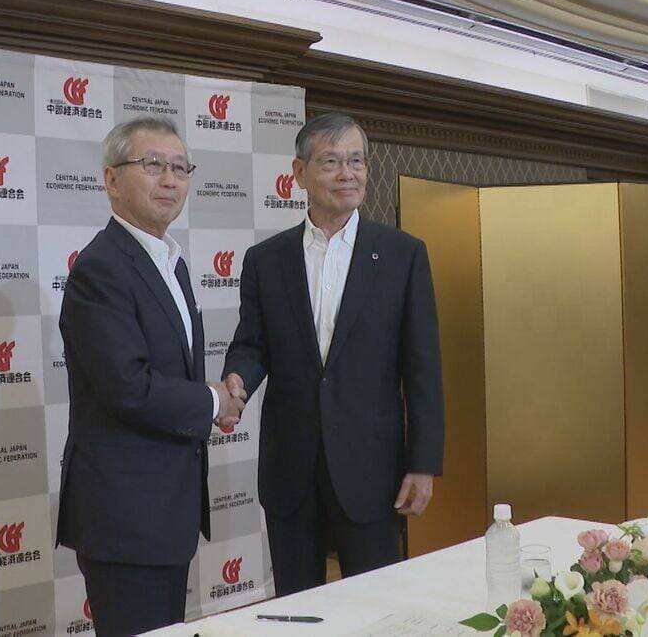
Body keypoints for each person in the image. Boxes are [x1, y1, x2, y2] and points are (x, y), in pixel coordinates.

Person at [222, 112, 444, 596]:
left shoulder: (403, 255)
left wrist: (422, 462)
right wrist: (237, 379)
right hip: (290, 468)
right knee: (297, 608)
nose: (348, 174)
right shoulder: (266, 259)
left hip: (372, 470)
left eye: (356, 161)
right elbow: (252, 343)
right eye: (331, 162)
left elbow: (423, 367)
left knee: (376, 606)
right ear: (299, 173)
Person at [55, 115, 244, 635]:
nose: (170, 180)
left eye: (180, 168)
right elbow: (128, 387)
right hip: (125, 516)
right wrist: (213, 402)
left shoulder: (170, 262)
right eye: (153, 164)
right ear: (112, 180)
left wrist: (214, 400)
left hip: (166, 511)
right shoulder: (102, 267)